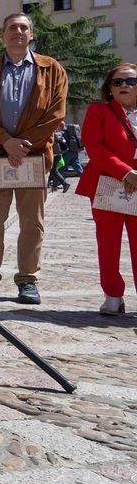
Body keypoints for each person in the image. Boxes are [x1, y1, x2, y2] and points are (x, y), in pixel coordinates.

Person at [0, 12, 67, 306]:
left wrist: (21, 146)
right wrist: (4, 142)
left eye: (24, 28)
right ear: (3, 35)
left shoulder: (51, 69)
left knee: (32, 223)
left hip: (33, 158)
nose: (18, 32)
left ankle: (28, 280)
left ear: (31, 35)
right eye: (12, 27)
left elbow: (56, 113)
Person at [74, 63, 137, 316]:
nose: (124, 86)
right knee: (108, 242)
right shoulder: (99, 111)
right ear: (108, 88)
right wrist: (127, 172)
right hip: (108, 183)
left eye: (131, 81)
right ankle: (113, 294)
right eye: (117, 82)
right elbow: (95, 147)